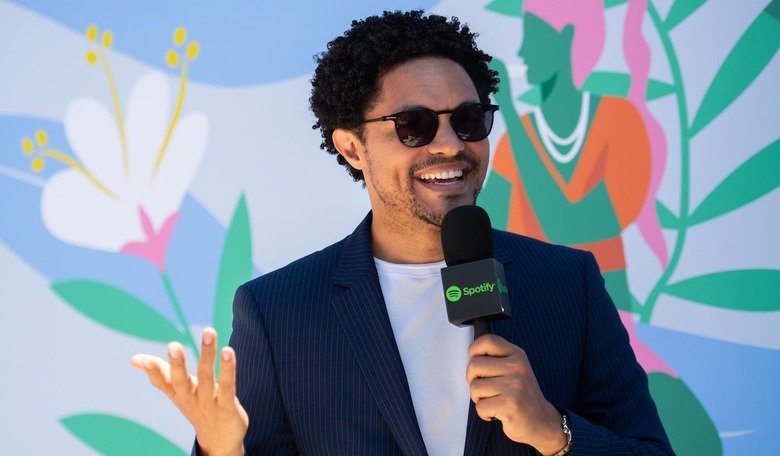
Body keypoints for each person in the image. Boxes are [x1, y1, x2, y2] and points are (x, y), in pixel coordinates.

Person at [131, 10, 673, 455]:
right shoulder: (280, 311)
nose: (450, 145)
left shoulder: (567, 283)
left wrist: (555, 433)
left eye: (468, 119)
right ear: (352, 147)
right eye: (414, 125)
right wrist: (223, 450)